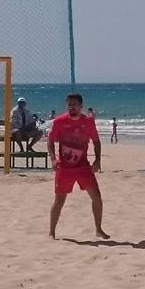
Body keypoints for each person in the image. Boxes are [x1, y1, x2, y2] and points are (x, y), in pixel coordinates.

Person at [47, 93, 109, 241]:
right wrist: (53, 159)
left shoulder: (88, 122)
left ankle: (98, 229)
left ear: (81, 106)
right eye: (69, 104)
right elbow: (50, 140)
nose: (71, 107)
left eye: (74, 105)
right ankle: (51, 232)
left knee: (97, 198)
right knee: (59, 201)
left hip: (83, 166)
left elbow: (96, 142)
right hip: (64, 168)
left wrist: (97, 161)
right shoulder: (59, 121)